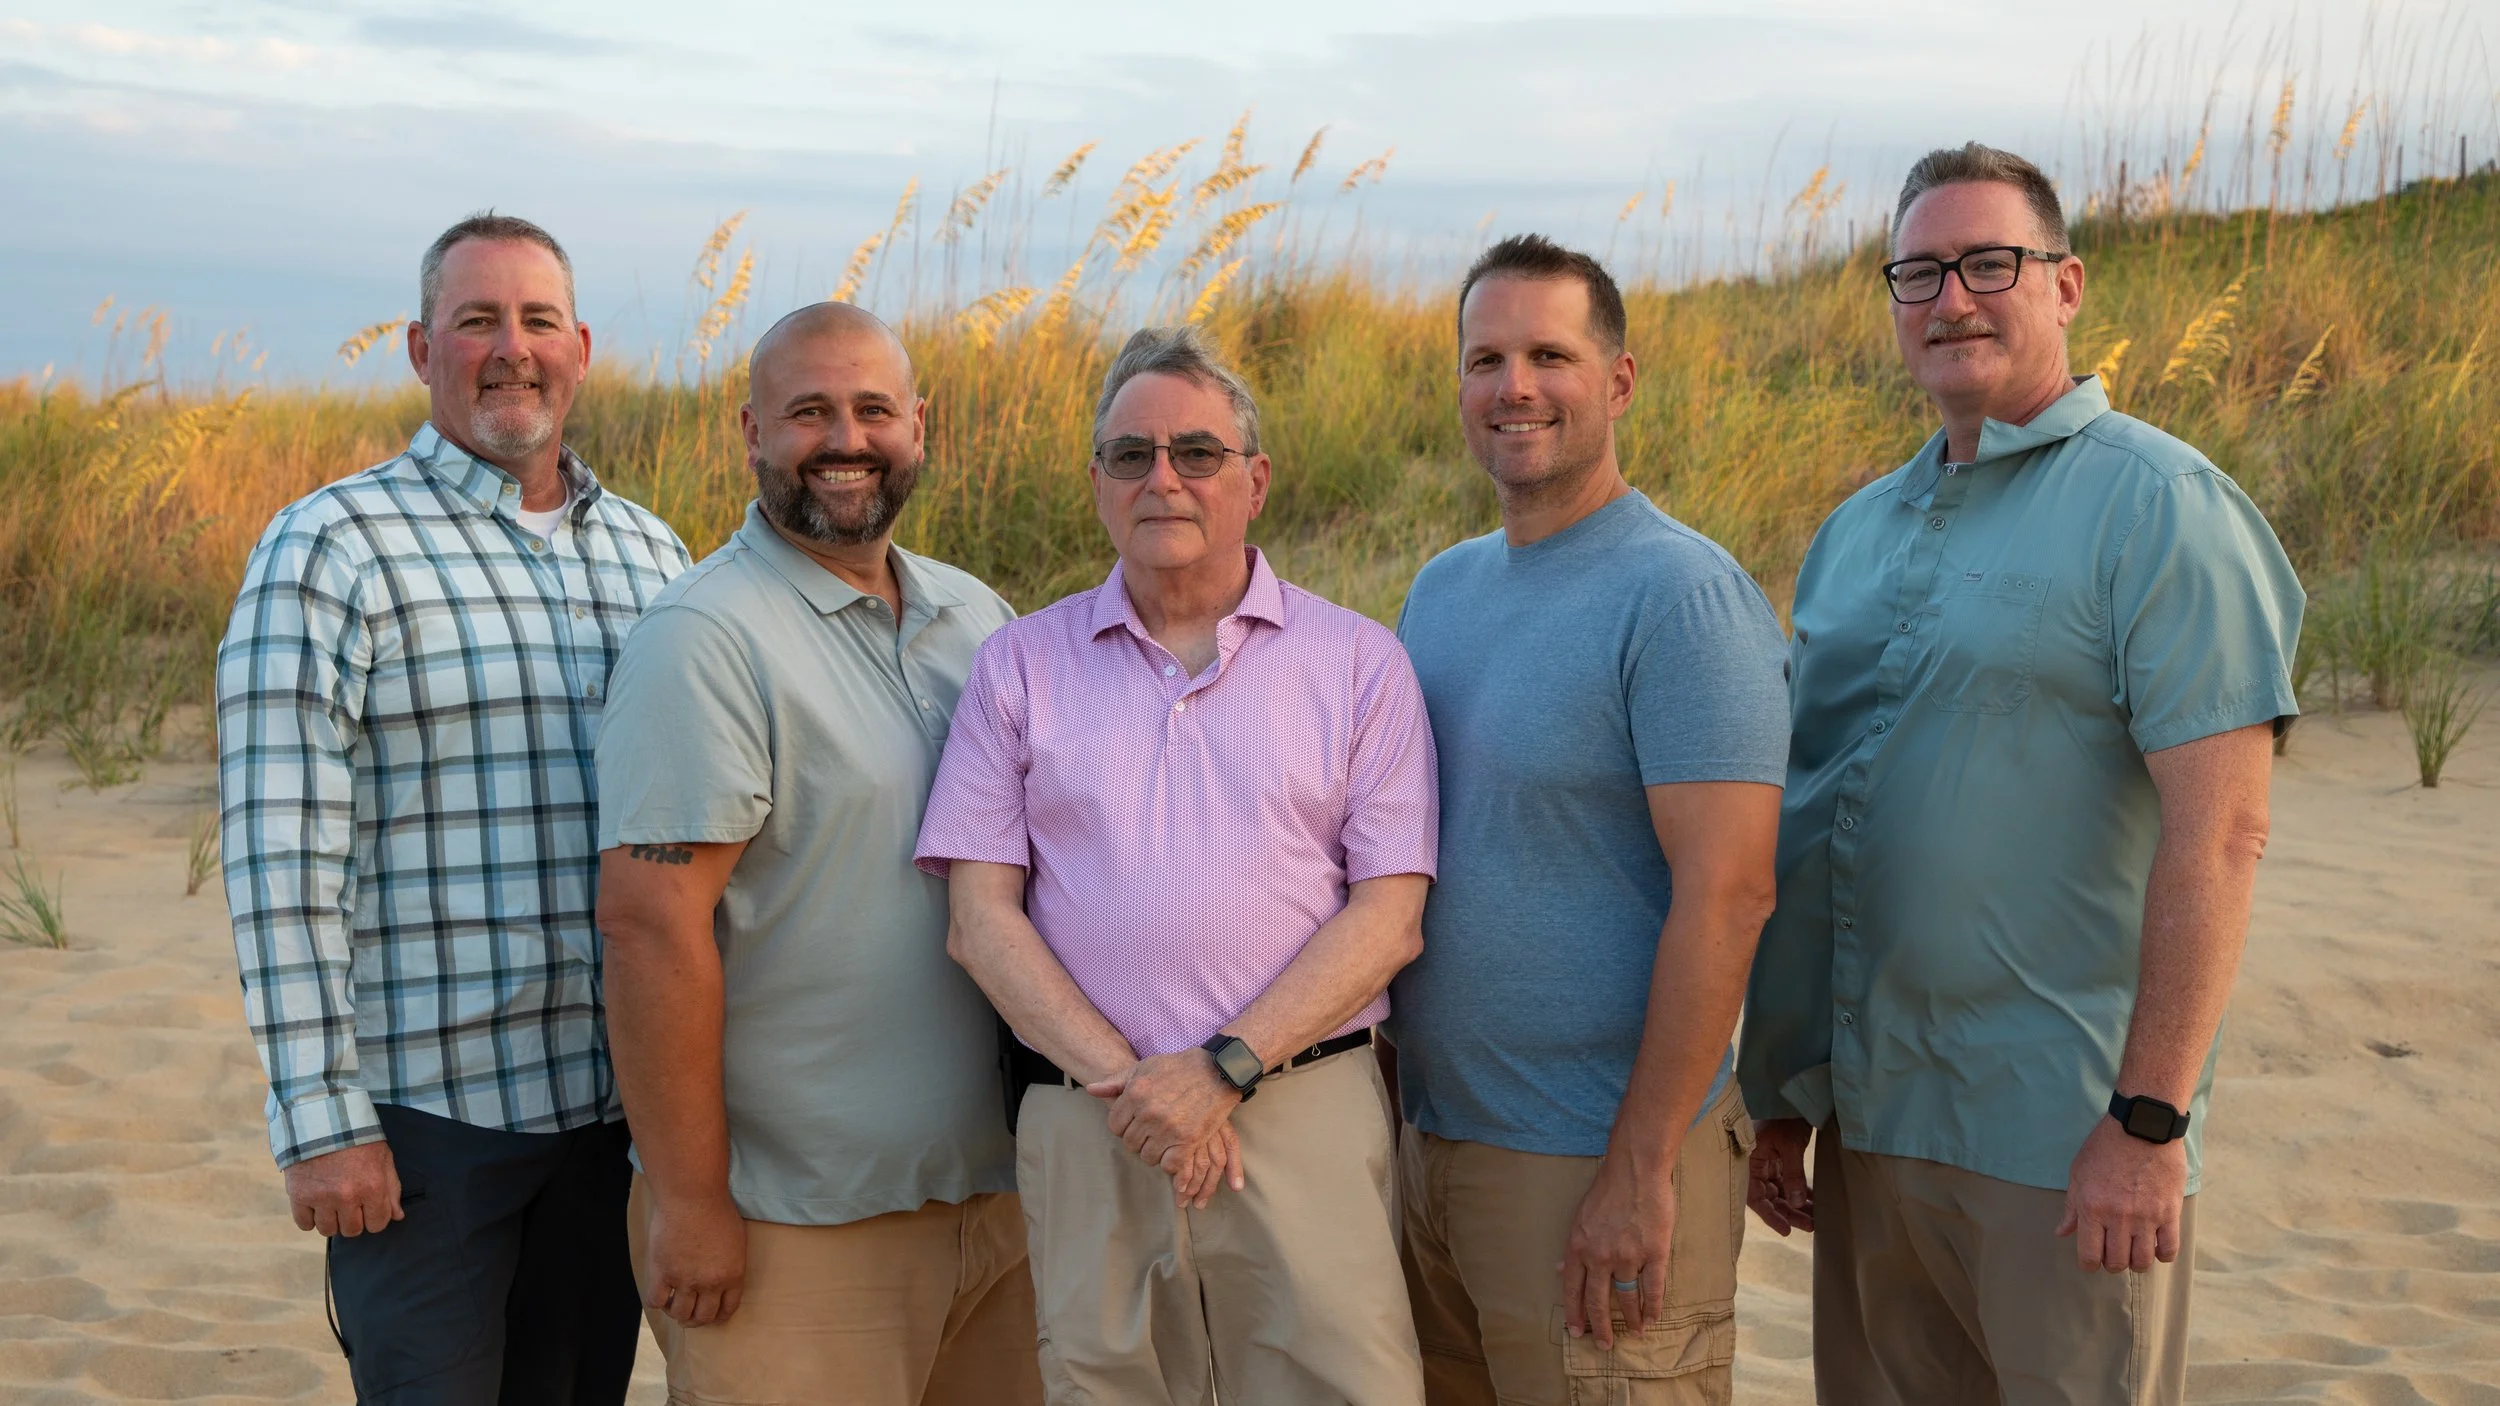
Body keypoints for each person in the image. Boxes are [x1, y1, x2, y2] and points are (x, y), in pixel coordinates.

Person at [1739, 142, 2304, 1405]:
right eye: (1918, 271)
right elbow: (1816, 817)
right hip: (1874, 1132)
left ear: (2066, 284)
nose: (1951, 298)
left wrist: (2149, 1123)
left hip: (2066, 1146)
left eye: (1990, 262)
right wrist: (1779, 1092)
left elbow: (2223, 833)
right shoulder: (1852, 535)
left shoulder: (2161, 508)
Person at [914, 325, 1439, 1406]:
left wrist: (1219, 1071)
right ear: (1098, 482)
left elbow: (1387, 916)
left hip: (1299, 1105)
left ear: (1256, 478)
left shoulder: (1359, 662)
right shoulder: (1018, 664)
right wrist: (1145, 1089)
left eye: (1196, 452)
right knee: (1103, 1385)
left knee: (1340, 1384)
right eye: (1129, 454)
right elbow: (980, 917)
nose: (1163, 478)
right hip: (1088, 1115)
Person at [216, 212, 689, 1403]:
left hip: (612, 1114)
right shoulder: (330, 545)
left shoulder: (653, 557)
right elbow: (283, 855)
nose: (510, 348)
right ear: (422, 348)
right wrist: (322, 1119)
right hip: (427, 1125)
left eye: (537, 321)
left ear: (579, 347)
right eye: (476, 319)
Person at [593, 302, 1039, 1405]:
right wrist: (694, 1203)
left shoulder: (977, 616)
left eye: (872, 409)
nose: (846, 438)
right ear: (751, 431)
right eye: (809, 412)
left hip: (1000, 1200)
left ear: (919, 426)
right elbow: (649, 926)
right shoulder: (707, 638)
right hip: (798, 1224)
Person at [1389, 234, 1792, 1406]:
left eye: (1548, 355)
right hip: (1434, 1145)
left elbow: (1732, 891)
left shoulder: (1681, 596)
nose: (1513, 386)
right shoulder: (1442, 589)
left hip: (1588, 1158)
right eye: (1485, 358)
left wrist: (1639, 1165)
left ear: (1615, 382)